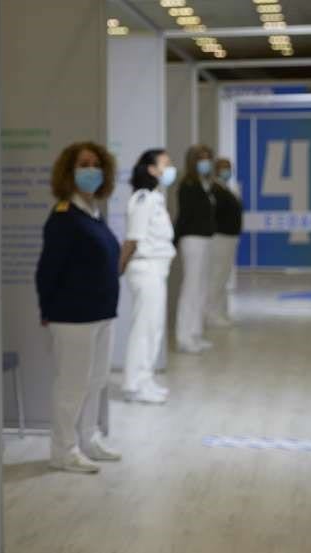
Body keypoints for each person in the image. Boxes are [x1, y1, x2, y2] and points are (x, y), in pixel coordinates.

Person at [36, 141, 122, 474]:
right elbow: (47, 270)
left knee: (96, 381)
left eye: (96, 164)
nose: (92, 170)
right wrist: (47, 308)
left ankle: (89, 438)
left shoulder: (94, 214)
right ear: (69, 172)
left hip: (102, 313)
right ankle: (64, 450)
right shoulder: (64, 217)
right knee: (72, 385)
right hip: (73, 316)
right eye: (84, 164)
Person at [118, 149, 176, 405]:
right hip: (145, 268)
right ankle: (134, 384)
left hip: (157, 269)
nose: (170, 168)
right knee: (144, 329)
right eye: (166, 164)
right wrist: (118, 268)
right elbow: (133, 239)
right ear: (152, 169)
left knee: (154, 328)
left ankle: (146, 379)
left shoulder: (155, 198)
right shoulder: (143, 199)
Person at [173, 145, 216, 354]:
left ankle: (196, 332)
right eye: (201, 158)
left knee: (201, 286)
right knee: (191, 286)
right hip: (192, 239)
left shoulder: (205, 184)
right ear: (192, 161)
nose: (205, 162)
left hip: (206, 238)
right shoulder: (188, 184)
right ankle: (184, 336)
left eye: (208, 158)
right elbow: (184, 215)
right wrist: (174, 240)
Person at [207, 158, 242, 327]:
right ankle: (211, 314)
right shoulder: (214, 189)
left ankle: (221, 312)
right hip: (220, 237)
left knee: (224, 277)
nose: (226, 171)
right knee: (217, 277)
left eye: (228, 167)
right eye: (223, 168)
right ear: (216, 170)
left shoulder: (228, 188)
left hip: (230, 238)